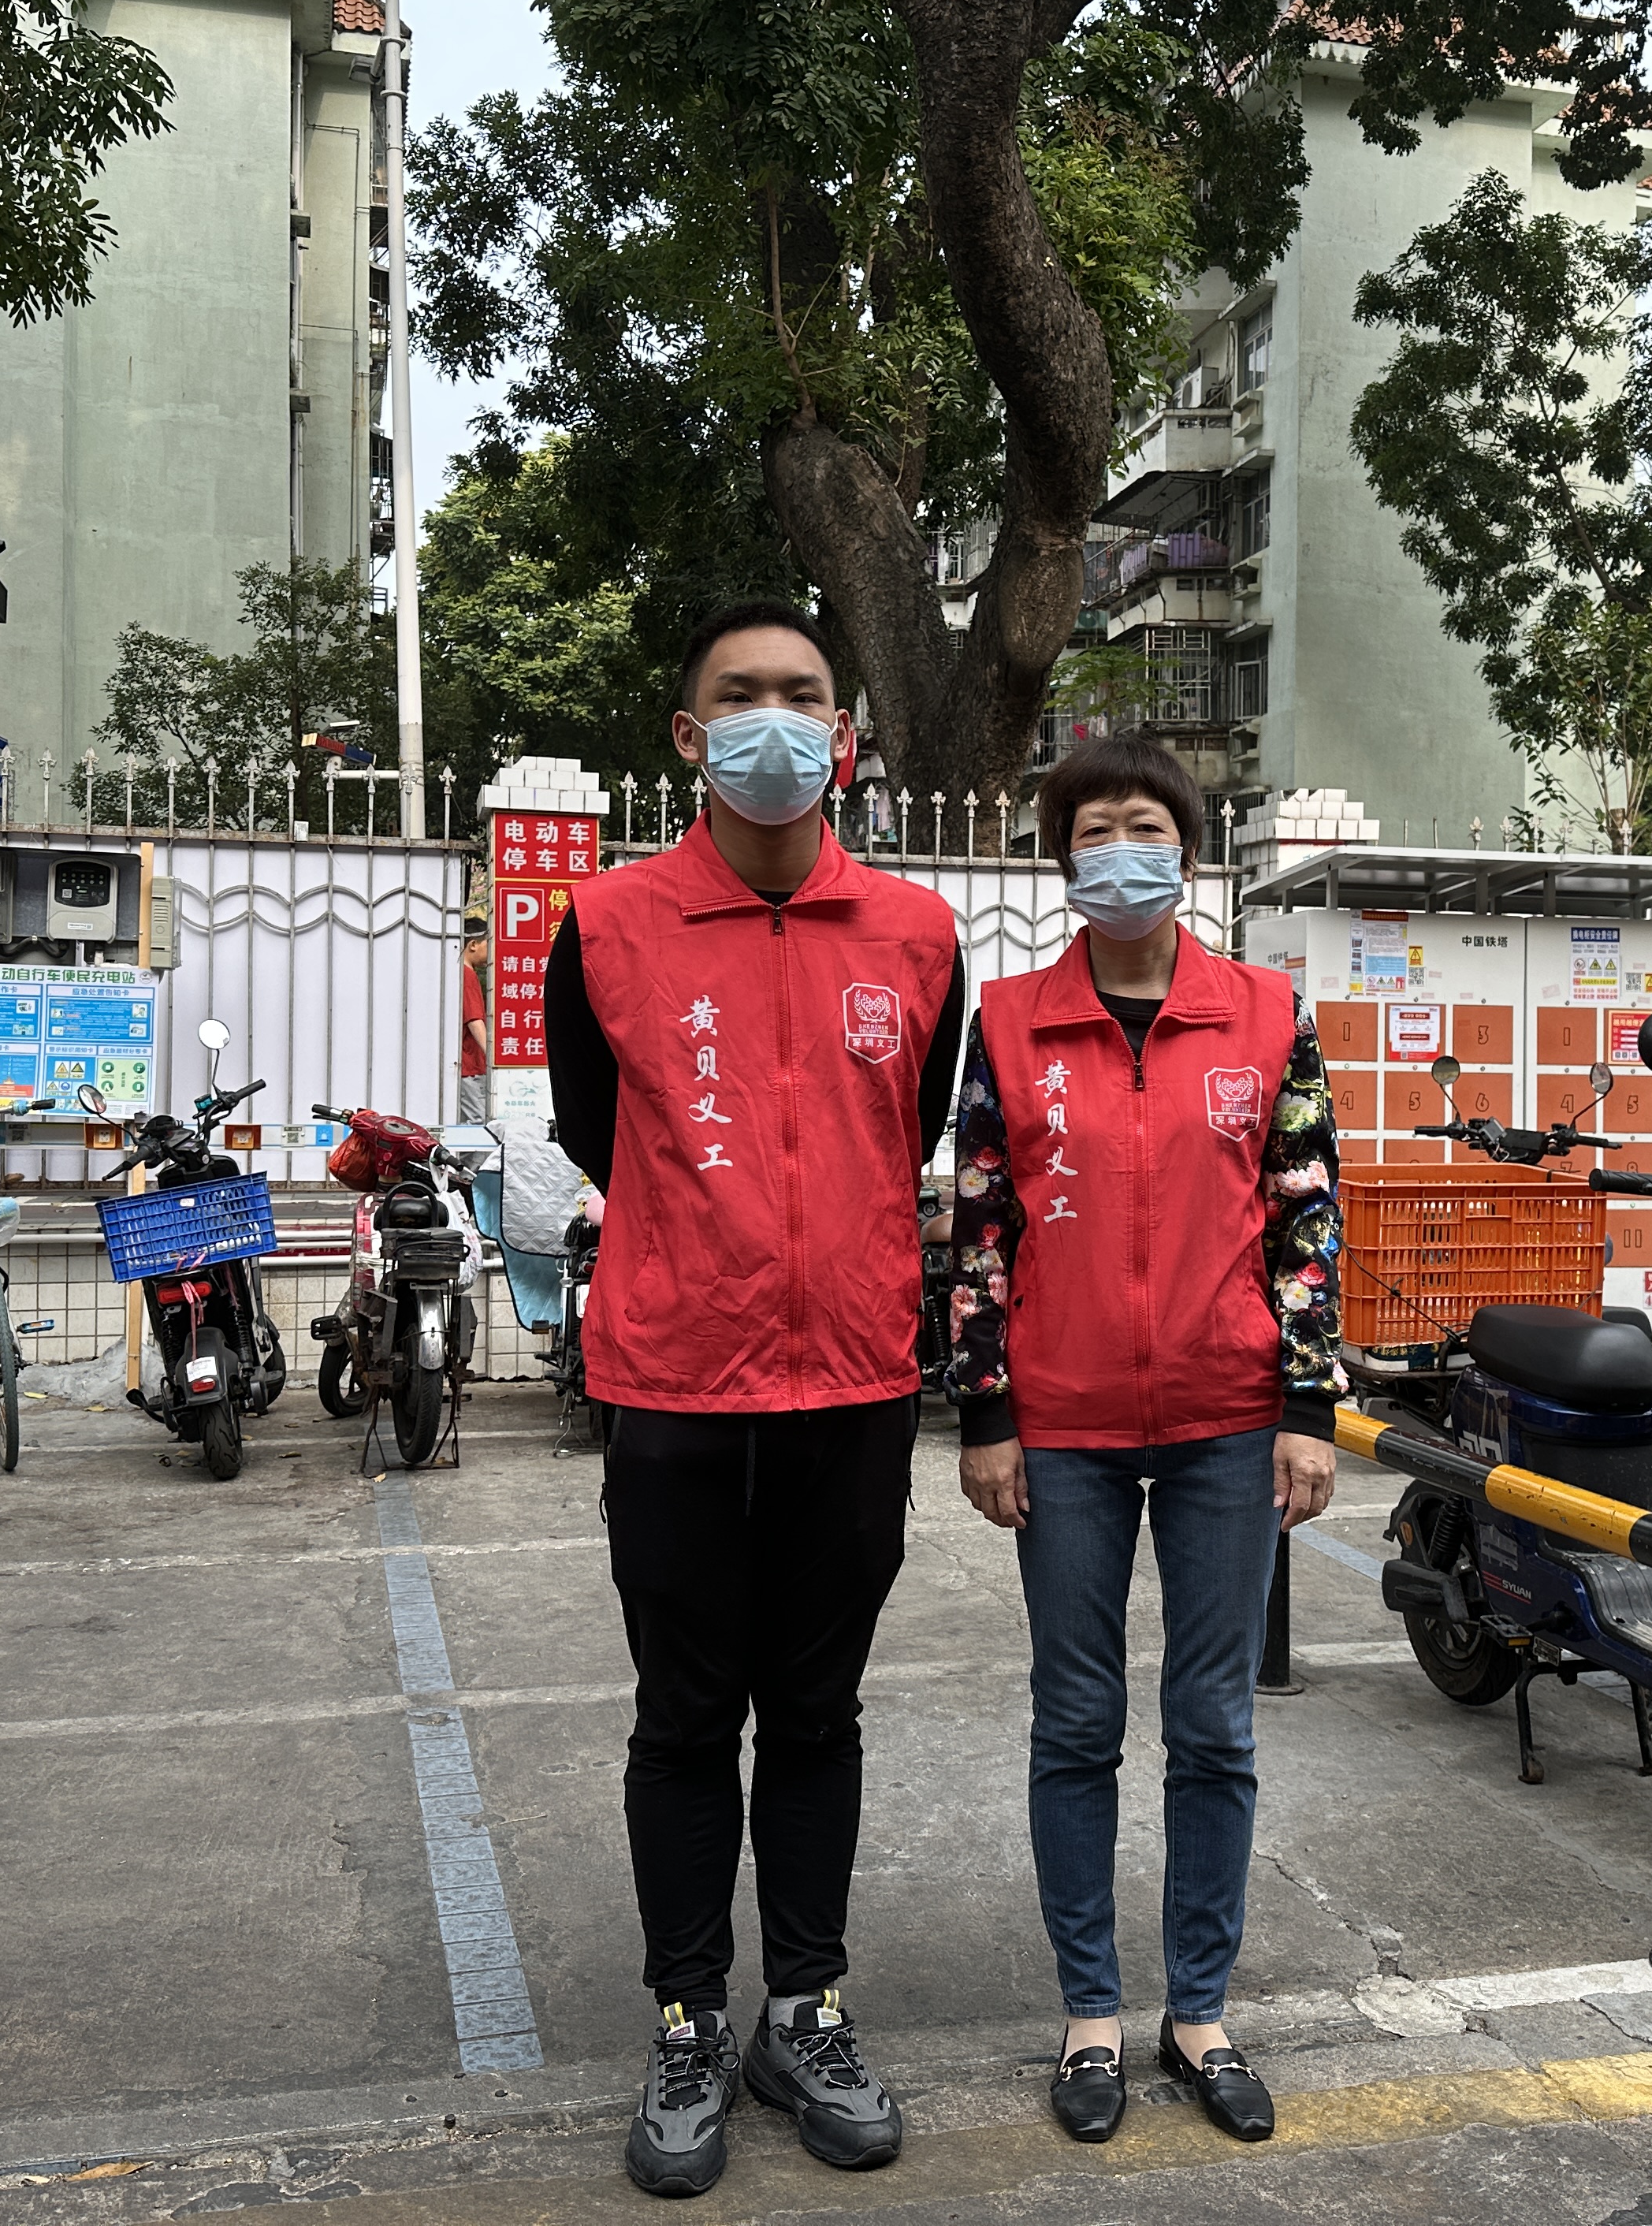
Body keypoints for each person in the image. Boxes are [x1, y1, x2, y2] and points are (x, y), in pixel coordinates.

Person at [545, 597, 966, 2201]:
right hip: (673, 1376)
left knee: (815, 1713)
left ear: (843, 738)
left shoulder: (916, 936)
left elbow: (906, 1125)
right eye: (741, 695)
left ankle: (805, 2011)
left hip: (853, 1379)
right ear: (688, 734)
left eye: (802, 694)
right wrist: (712, 1244)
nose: (773, 720)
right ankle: (685, 2019)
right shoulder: (607, 926)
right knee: (680, 1716)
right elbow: (596, 1127)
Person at [947, 733, 1344, 2148]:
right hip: (1061, 1427)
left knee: (1212, 1724)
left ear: (1189, 849)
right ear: (1064, 859)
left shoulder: (1265, 1013)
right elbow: (979, 1220)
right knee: (1075, 1722)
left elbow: (1305, 1210)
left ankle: (1201, 2011)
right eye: (1096, 829)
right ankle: (1090, 2016)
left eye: (1149, 827)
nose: (1124, 850)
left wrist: (1307, 1405)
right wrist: (986, 1411)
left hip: (1230, 1420)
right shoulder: (1010, 1021)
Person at [456, 914, 491, 1121]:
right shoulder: (467, 975)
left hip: (467, 1065)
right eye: (488, 944)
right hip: (470, 1065)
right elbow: (474, 1020)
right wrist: (492, 1056)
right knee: (477, 1122)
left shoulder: (461, 973)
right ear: (473, 945)